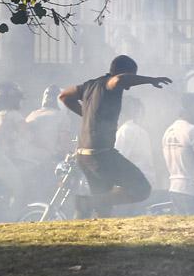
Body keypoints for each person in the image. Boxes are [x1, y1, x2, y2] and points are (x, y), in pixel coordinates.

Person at [59, 55, 171, 217]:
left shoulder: (89, 85)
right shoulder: (110, 83)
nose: (129, 87)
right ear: (125, 73)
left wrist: (85, 113)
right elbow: (119, 80)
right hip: (101, 155)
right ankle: (86, 203)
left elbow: (64, 96)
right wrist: (150, 80)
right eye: (131, 77)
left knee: (103, 205)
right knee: (142, 189)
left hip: (83, 155)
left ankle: (84, 232)